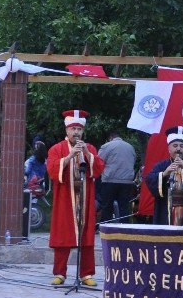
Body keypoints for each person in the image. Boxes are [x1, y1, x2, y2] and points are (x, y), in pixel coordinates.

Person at [47, 110, 105, 286]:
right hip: (65, 197)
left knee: (86, 236)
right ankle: (59, 273)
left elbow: (99, 168)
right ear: (67, 130)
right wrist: (70, 156)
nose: (76, 132)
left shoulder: (91, 148)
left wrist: (87, 153)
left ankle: (86, 274)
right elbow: (51, 169)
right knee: (63, 234)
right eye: (73, 128)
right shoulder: (57, 148)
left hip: (86, 197)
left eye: (79, 129)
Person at [144, 127, 183, 227]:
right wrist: (165, 173)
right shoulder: (161, 165)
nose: (178, 149)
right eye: (175, 146)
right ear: (169, 149)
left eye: (181, 146)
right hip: (165, 209)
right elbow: (149, 179)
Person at [97, 131, 137, 222]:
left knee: (107, 207)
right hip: (127, 182)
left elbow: (98, 162)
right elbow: (133, 161)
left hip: (109, 181)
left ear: (110, 138)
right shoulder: (130, 147)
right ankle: (125, 229)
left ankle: (106, 228)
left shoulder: (107, 146)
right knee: (125, 208)